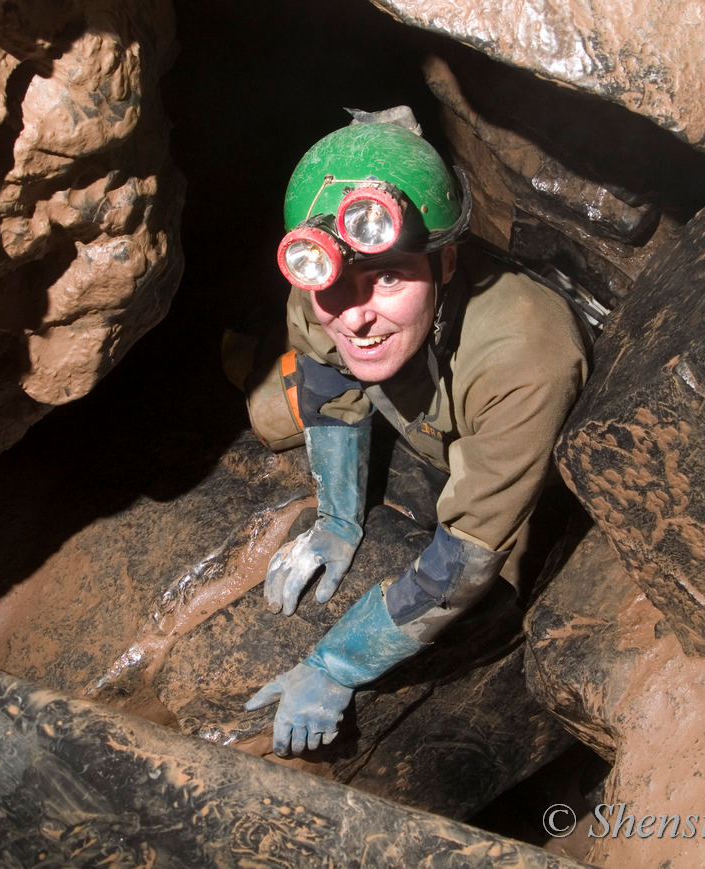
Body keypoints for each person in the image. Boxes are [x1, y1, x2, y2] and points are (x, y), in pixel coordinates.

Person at [243, 108, 590, 756]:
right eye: (334, 284)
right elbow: (325, 377)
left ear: (447, 261)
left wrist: (336, 663)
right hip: (404, 389)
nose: (357, 314)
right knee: (268, 406)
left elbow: (461, 563)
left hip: (483, 428)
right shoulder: (320, 290)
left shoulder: (528, 357)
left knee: (498, 590)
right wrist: (338, 521)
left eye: (389, 277)